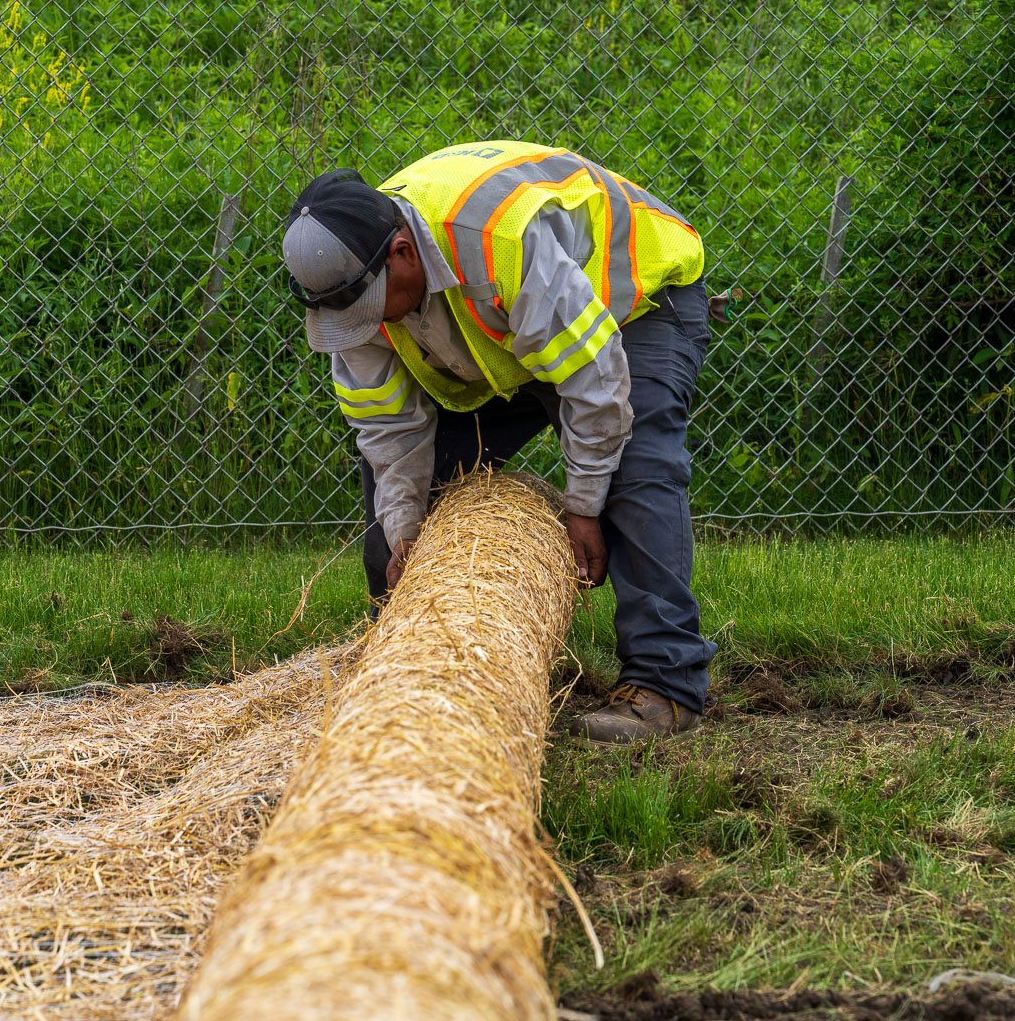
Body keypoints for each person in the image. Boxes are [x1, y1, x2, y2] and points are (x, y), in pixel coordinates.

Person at [280, 140, 717, 743]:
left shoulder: (499, 243)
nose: (367, 328)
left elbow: (595, 385)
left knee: (636, 463)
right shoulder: (354, 285)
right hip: (507, 343)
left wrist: (584, 506)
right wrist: (405, 533)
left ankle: (666, 684)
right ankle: (402, 667)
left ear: (403, 253)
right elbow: (388, 432)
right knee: (403, 510)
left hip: (630, 300)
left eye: (371, 310)